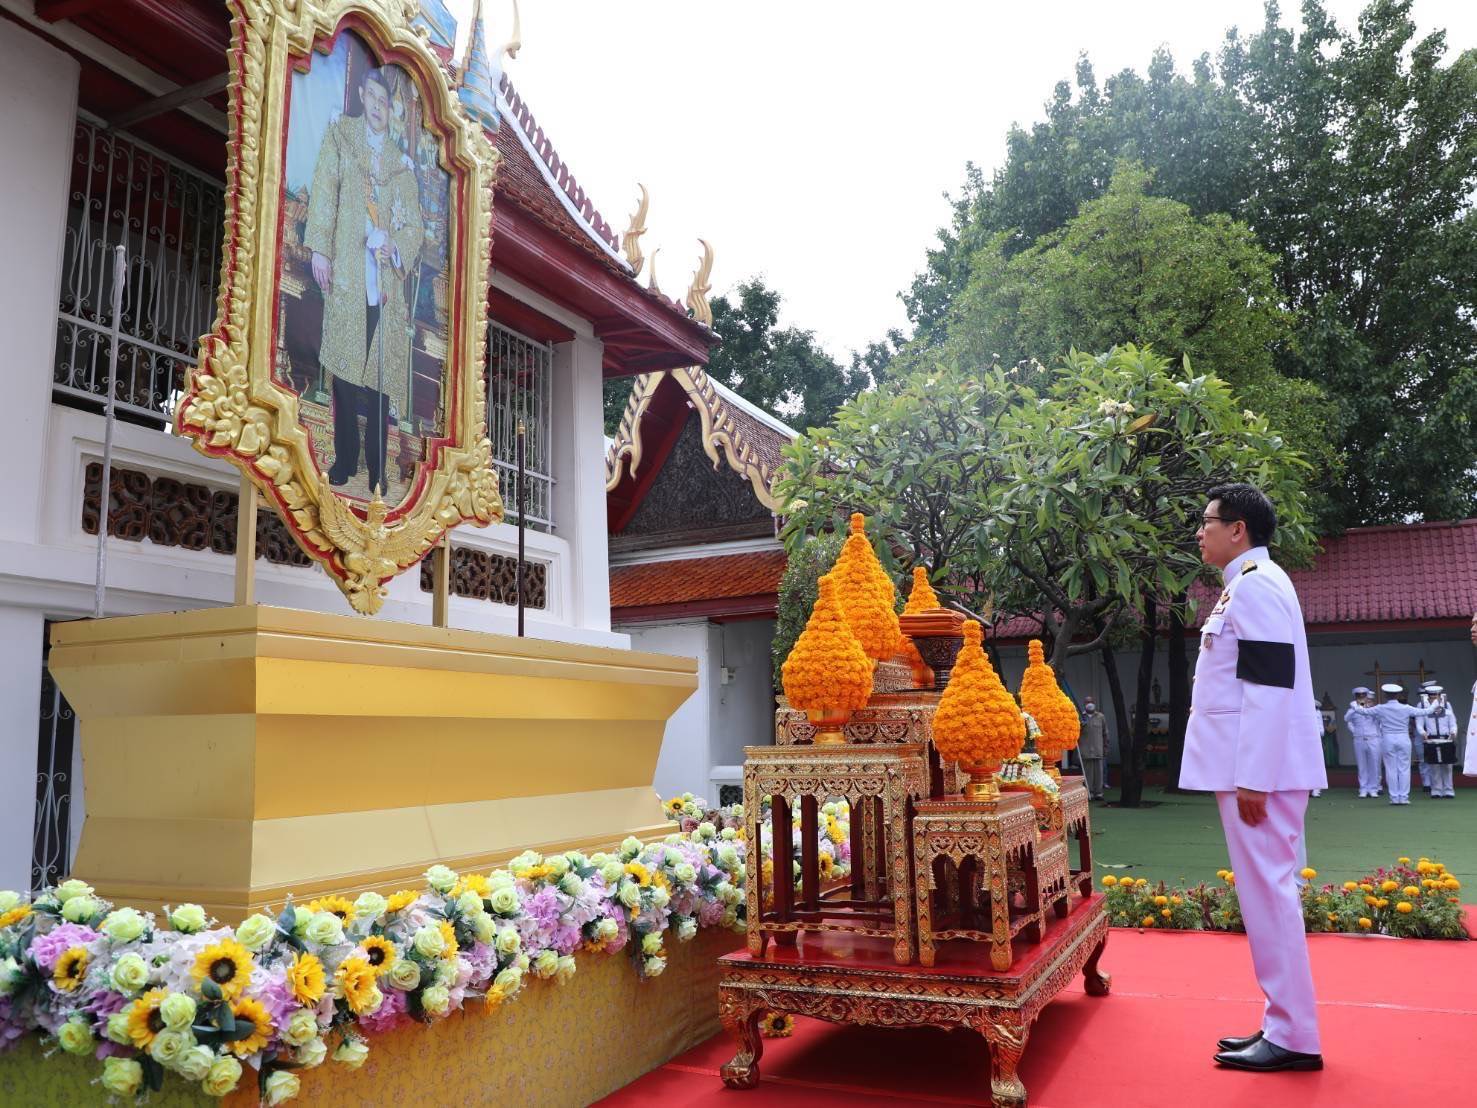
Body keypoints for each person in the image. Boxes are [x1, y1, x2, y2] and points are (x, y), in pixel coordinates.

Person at [1180, 483, 1326, 1074]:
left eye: (1207, 521)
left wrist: (1255, 776)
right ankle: (1282, 1023)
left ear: (1237, 529)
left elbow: (1269, 685)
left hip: (1259, 770)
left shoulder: (1258, 586)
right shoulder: (1246, 585)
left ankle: (1293, 1035)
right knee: (1266, 895)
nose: (1200, 532)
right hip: (1252, 766)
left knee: (1269, 896)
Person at [304, 66, 423, 494]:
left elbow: (415, 229)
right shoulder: (342, 137)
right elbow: (324, 190)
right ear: (361, 95)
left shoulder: (401, 166)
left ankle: (376, 470)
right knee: (344, 373)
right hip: (350, 279)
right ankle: (344, 461)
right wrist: (319, 247)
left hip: (384, 288)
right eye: (372, 97)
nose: (377, 106)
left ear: (392, 109)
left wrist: (394, 244)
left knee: (379, 384)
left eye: (384, 101)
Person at [1350, 685, 1442, 804]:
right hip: (1403, 738)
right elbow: (1427, 711)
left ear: (1385, 695)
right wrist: (1435, 702)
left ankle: (1394, 797)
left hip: (1388, 739)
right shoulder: (1406, 707)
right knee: (1404, 768)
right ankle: (1403, 797)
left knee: (1391, 769)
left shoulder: (1381, 708)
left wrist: (1354, 704)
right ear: (1398, 696)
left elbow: (1362, 711)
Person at [1345, 687, 1382, 797]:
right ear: (1356, 697)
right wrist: (1356, 708)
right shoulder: (1353, 709)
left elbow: (1380, 719)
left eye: (1363, 696)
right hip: (1359, 739)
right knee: (1362, 765)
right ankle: (1363, 788)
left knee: (1374, 765)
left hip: (1373, 739)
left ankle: (1373, 788)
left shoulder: (1374, 709)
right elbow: (1346, 719)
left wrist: (1370, 709)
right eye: (1358, 696)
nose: (1361, 698)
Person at [1422, 686, 1458, 798]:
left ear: (1440, 697)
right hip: (1432, 740)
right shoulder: (1425, 711)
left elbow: (1453, 724)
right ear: (1428, 698)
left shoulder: (1447, 711)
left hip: (1445, 740)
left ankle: (1449, 790)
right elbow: (1419, 725)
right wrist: (1423, 733)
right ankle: (1436, 790)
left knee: (1447, 766)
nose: (1434, 699)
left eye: (1436, 697)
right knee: (1434, 767)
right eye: (1431, 697)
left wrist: (1453, 733)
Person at [1079, 697, 1108, 800]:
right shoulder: (1080, 717)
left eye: (1091, 702)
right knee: (1088, 773)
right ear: (1084, 704)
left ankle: (1099, 793)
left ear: (1094, 703)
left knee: (1099, 772)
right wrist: (1080, 726)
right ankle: (1089, 792)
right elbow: (1075, 733)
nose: (1089, 704)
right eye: (1087, 702)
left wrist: (1105, 747)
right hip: (1085, 750)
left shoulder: (1100, 717)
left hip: (1098, 749)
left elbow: (1105, 733)